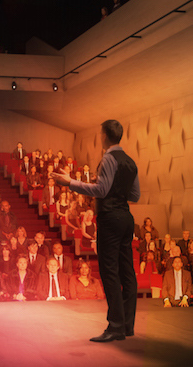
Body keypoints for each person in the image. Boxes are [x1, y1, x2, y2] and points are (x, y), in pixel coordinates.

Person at [53, 119, 139, 342]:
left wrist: (70, 182)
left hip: (110, 218)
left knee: (109, 271)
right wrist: (118, 191)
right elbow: (135, 196)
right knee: (127, 272)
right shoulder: (130, 162)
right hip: (126, 218)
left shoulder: (108, 158)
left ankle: (115, 326)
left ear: (104, 136)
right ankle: (127, 325)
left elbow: (101, 190)